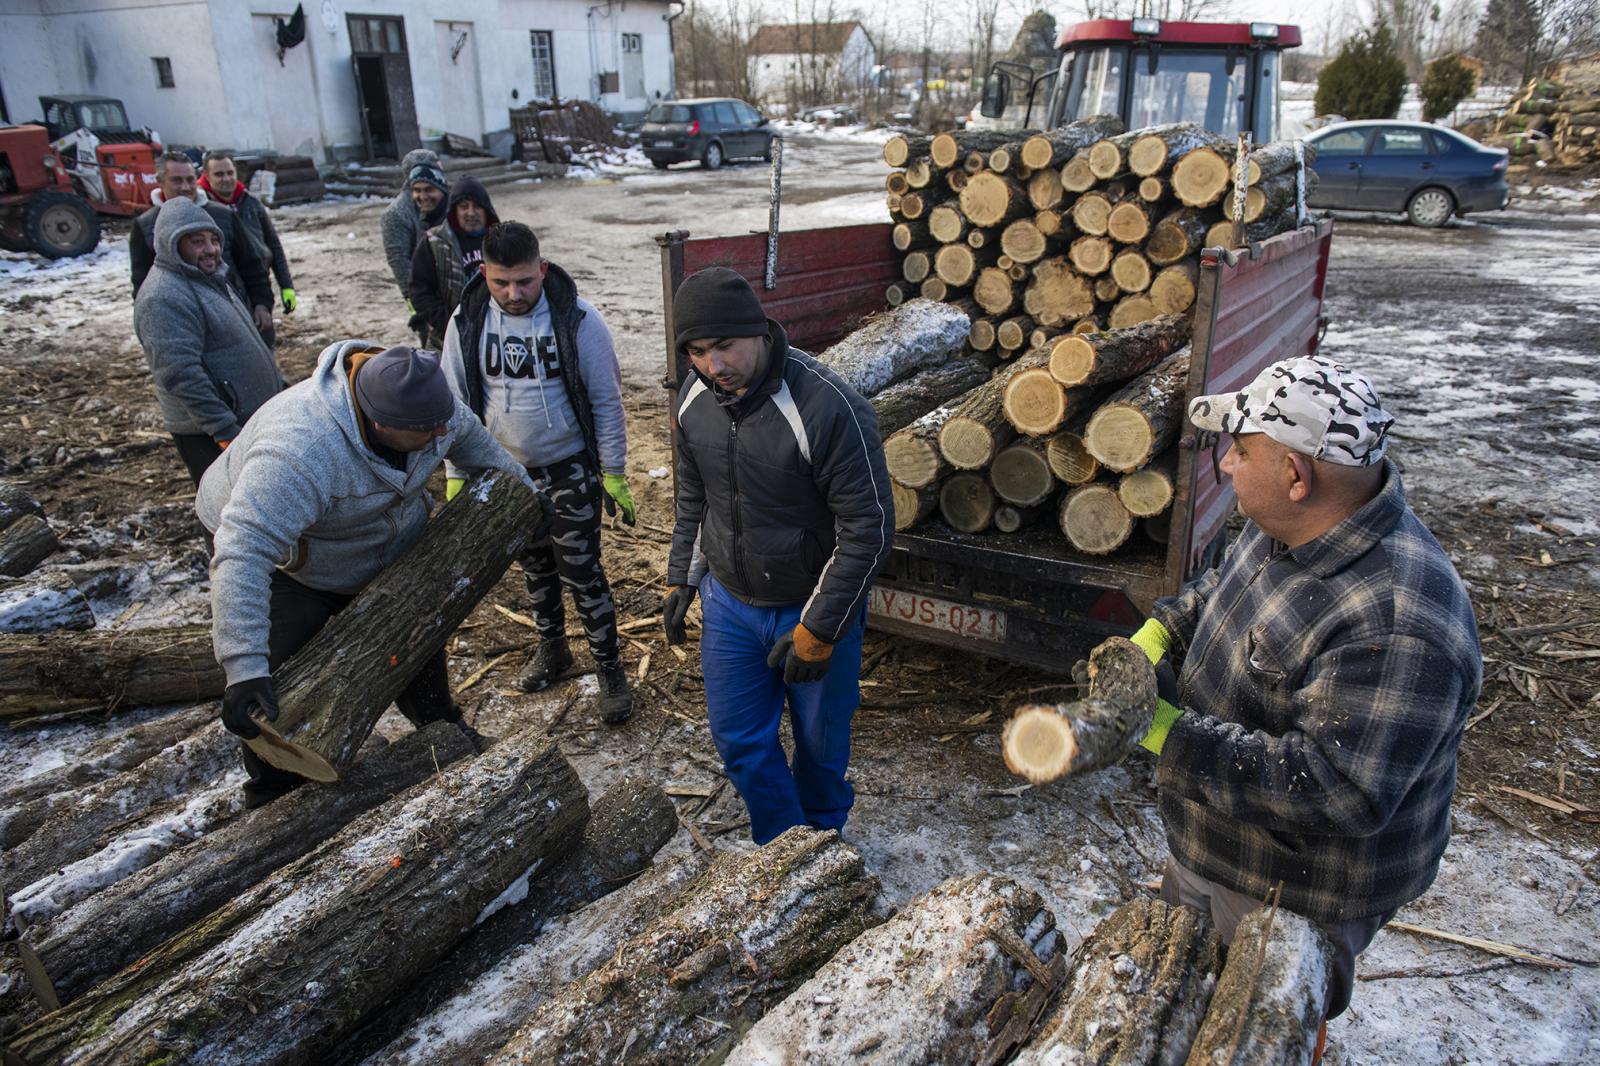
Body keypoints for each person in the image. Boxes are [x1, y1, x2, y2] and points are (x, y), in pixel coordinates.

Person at [1126, 355, 1481, 1035]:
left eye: (1241, 451)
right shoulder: (1286, 527)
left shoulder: (1400, 624)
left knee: (1251, 1034)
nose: (1226, 466)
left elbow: (1334, 789)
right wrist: (1152, 638)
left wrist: (1164, 733)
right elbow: (1212, 594)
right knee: (1174, 1002)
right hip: (1213, 841)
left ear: (1297, 476)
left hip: (1292, 895)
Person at [196, 343, 535, 807]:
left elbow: (487, 455)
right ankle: (273, 792)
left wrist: (530, 502)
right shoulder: (300, 451)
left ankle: (442, 725)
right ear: (381, 423)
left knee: (415, 635)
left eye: (443, 421)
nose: (443, 433)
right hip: (289, 559)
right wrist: (243, 666)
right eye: (428, 430)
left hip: (379, 535)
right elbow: (243, 553)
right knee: (280, 675)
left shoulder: (427, 408)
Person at [661, 267, 894, 845]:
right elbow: (696, 494)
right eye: (697, 350)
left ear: (759, 333)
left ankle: (823, 842)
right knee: (740, 742)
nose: (713, 366)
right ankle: (785, 852)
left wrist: (821, 626)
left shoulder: (829, 407)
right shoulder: (694, 397)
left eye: (724, 347)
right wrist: (681, 578)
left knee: (818, 747)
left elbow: (870, 528)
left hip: (808, 606)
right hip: (730, 605)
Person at [441, 222, 636, 723]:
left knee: (582, 571)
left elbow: (607, 400)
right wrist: (457, 470)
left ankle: (610, 669)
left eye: (525, 281)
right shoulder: (466, 320)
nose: (514, 293)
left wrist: (613, 470)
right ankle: (554, 649)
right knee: (535, 568)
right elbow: (455, 402)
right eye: (502, 282)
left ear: (542, 269)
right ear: (483, 272)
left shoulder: (577, 320)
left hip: (569, 466)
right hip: (505, 471)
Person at [133, 198, 285, 485]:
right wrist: (224, 430)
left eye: (214, 239)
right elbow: (180, 374)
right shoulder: (163, 297)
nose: (211, 249)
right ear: (170, 243)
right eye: (197, 241)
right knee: (227, 510)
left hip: (244, 420)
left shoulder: (209, 279)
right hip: (210, 433)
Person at [129, 152, 275, 346]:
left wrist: (262, 303)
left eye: (190, 180)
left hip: (238, 315)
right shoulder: (146, 225)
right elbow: (141, 281)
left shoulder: (222, 215)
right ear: (160, 181)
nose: (186, 187)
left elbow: (252, 263)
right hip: (188, 325)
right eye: (177, 180)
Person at [199, 150, 298, 318]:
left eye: (230, 173)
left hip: (258, 285)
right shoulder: (201, 210)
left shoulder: (251, 203)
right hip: (223, 290)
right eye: (219, 174)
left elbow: (273, 244)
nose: (226, 179)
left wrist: (286, 286)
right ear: (206, 175)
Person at [408, 176, 498, 349]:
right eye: (464, 206)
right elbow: (419, 291)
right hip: (446, 341)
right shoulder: (433, 242)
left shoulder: (501, 240)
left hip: (495, 336)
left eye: (477, 206)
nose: (471, 213)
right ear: (453, 211)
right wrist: (449, 323)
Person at [381, 149, 448, 301]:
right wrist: (416, 306)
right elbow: (400, 263)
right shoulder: (397, 214)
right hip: (426, 295)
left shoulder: (441, 199)